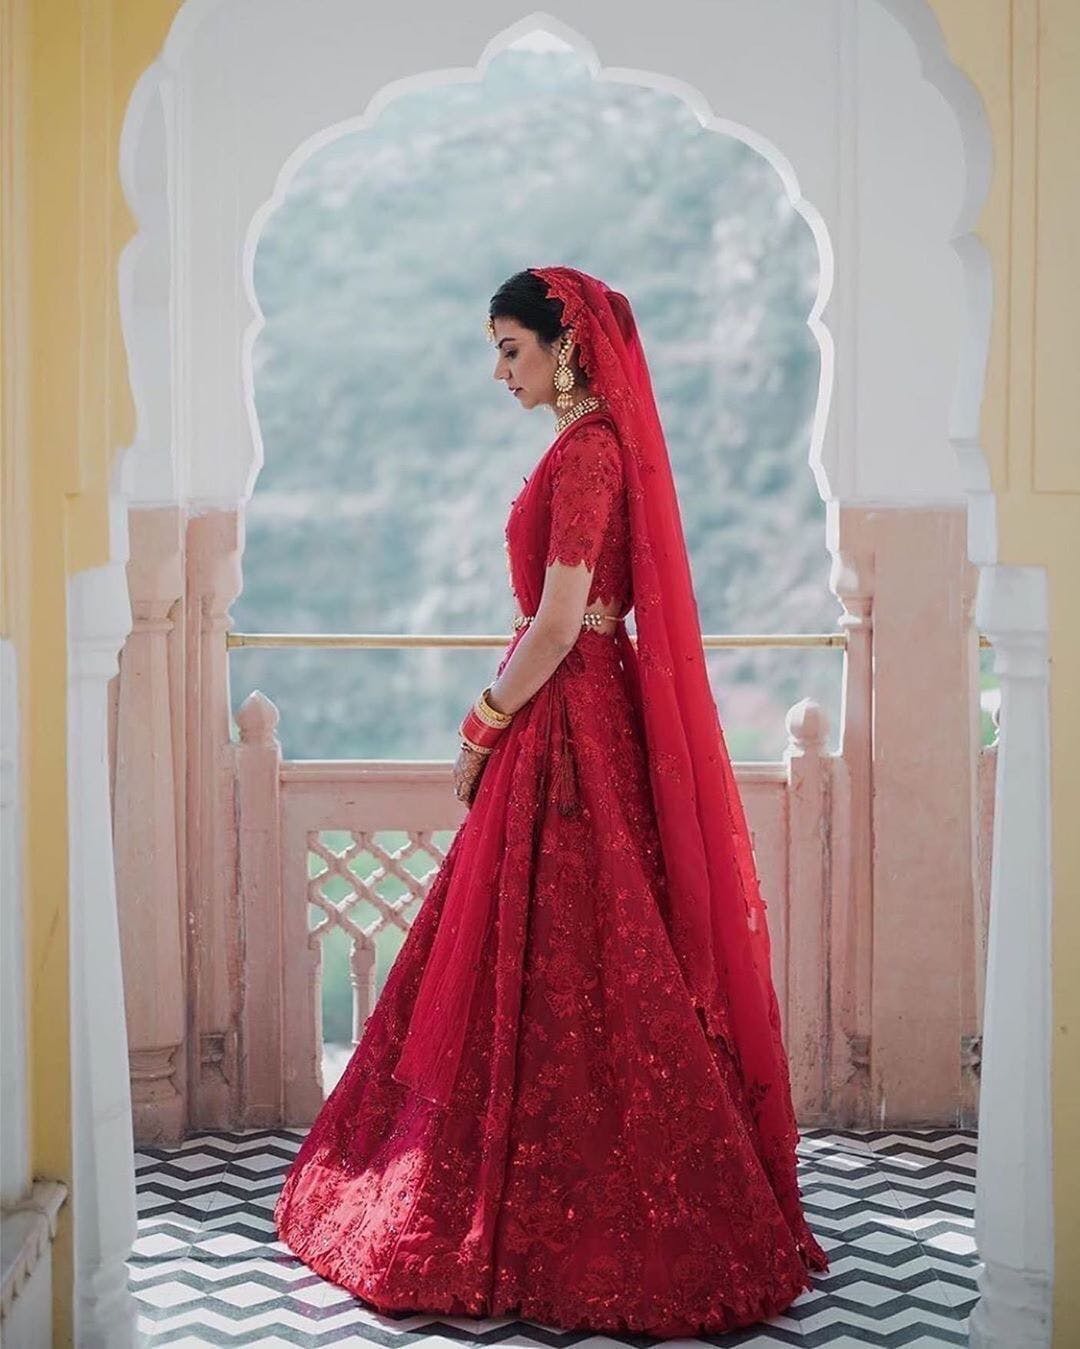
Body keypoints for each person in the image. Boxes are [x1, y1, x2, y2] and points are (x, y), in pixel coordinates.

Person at [273, 266, 828, 1337]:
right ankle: (561, 1196)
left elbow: (564, 615)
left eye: (510, 349)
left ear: (563, 346)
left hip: (566, 729)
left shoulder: (585, 453)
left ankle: (533, 1210)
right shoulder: (598, 447)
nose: (499, 371)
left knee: (564, 956)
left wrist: (482, 720)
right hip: (586, 723)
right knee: (586, 961)